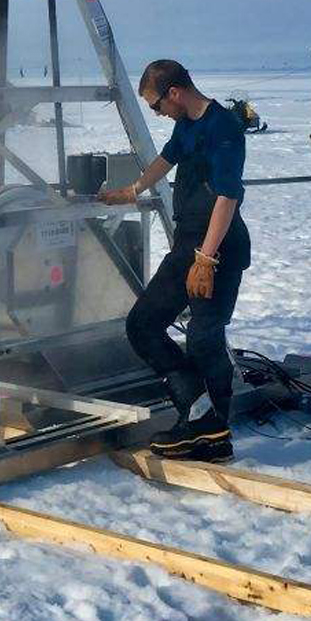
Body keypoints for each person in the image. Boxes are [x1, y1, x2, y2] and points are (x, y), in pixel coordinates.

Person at [98, 59, 250, 462]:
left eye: (156, 106)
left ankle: (216, 436)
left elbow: (227, 196)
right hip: (187, 243)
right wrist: (132, 190)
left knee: (203, 335)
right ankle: (199, 415)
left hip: (218, 247)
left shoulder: (224, 128)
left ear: (175, 93)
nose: (158, 113)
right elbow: (167, 159)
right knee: (143, 324)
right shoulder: (187, 125)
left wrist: (206, 259)